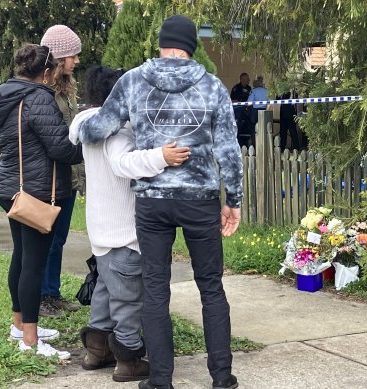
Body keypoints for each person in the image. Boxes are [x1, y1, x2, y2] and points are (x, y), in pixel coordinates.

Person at [71, 14, 243, 389]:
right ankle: (222, 378)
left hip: (153, 201)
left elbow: (100, 127)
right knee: (211, 288)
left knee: (155, 288)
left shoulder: (133, 80)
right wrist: (234, 200)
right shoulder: (212, 86)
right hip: (200, 198)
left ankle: (161, 380)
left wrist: (76, 130)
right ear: (192, 46)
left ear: (161, 44)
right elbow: (229, 150)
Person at [73, 65, 191, 382]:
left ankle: (96, 350)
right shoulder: (117, 132)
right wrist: (162, 156)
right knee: (127, 299)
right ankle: (128, 359)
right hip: (124, 232)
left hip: (100, 229)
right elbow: (124, 163)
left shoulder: (88, 126)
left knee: (104, 290)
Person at [0, 44, 82, 359]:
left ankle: (20, 325)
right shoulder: (39, 98)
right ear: (46, 72)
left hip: (10, 188)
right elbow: (60, 149)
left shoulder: (3, 95)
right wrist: (89, 146)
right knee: (33, 264)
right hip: (34, 193)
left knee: (21, 257)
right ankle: (30, 339)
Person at [39, 24, 83, 317]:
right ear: (59, 57)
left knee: (60, 239)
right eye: (73, 56)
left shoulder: (68, 90)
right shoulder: (42, 92)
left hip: (68, 177)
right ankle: (42, 295)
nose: (77, 61)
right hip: (49, 178)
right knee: (47, 240)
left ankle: (52, 293)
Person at [230, 73, 251, 148]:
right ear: (242, 79)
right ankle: (237, 145)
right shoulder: (236, 88)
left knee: (249, 127)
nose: (249, 80)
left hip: (247, 112)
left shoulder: (249, 88)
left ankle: (246, 145)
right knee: (238, 128)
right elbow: (232, 100)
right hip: (238, 111)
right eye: (247, 78)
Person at [246, 76, 268, 145]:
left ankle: (255, 146)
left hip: (254, 112)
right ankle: (263, 145)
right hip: (264, 111)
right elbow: (270, 101)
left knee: (253, 129)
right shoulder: (266, 91)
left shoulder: (253, 91)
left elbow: (249, 102)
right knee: (263, 129)